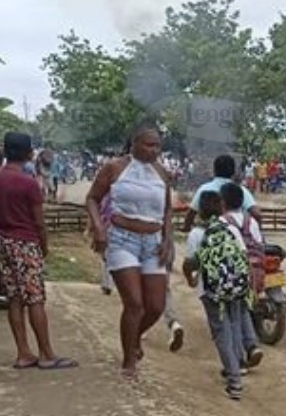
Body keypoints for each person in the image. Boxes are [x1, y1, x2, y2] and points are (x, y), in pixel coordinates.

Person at [85, 121, 172, 379]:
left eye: (157, 145)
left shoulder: (161, 172)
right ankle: (128, 359)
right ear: (133, 143)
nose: (154, 150)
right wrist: (99, 227)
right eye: (148, 144)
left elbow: (167, 209)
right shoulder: (114, 168)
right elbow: (92, 198)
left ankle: (134, 338)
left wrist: (168, 239)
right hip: (123, 240)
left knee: (156, 306)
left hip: (153, 242)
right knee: (134, 304)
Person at [0, 132, 77, 370]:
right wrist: (44, 246)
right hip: (25, 242)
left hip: (4, 241)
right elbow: (39, 223)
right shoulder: (28, 183)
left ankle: (23, 353)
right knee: (35, 298)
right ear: (29, 153)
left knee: (14, 298)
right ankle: (47, 353)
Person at [183, 191, 249, 400]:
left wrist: (190, 279)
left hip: (210, 290)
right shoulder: (231, 229)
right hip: (236, 288)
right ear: (222, 208)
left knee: (221, 333)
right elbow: (243, 256)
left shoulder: (196, 234)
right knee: (235, 325)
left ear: (201, 211)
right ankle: (237, 364)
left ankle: (234, 380)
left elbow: (190, 264)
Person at [217, 182, 265, 371]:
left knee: (231, 316)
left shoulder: (223, 222)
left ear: (223, 202)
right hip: (255, 272)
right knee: (242, 309)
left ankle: (237, 360)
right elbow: (260, 244)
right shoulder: (251, 220)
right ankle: (252, 345)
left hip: (233, 274)